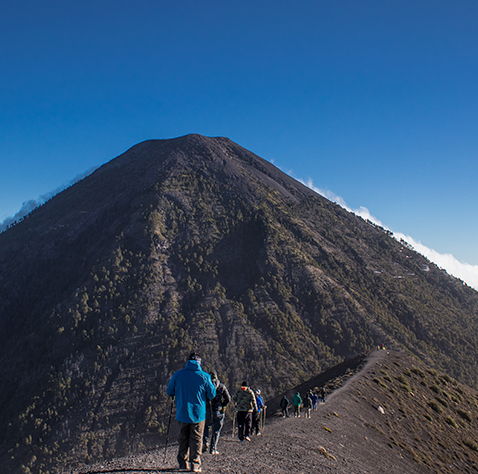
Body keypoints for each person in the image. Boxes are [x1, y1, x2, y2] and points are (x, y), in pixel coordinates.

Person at [167, 353, 216, 472]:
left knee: (183, 438)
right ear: (199, 362)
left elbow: (170, 391)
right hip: (198, 414)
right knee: (197, 439)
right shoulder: (204, 376)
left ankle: (183, 464)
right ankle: (195, 465)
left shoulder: (178, 374)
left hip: (182, 412)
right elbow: (211, 394)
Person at [202, 371, 231, 455]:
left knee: (205, 427)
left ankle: (205, 441)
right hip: (218, 411)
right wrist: (223, 405)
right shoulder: (222, 387)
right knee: (216, 430)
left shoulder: (206, 387)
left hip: (207, 410)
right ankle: (213, 449)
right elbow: (228, 399)